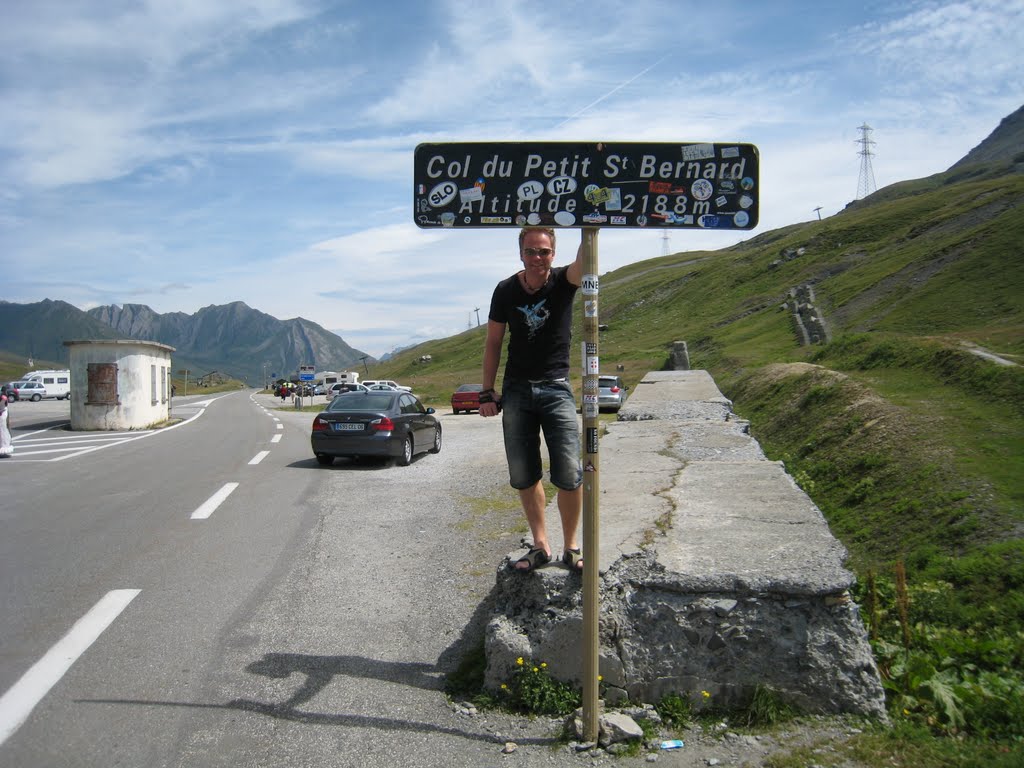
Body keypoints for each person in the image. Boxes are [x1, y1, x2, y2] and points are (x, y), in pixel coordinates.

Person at [480, 227, 584, 573]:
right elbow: (494, 341)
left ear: (554, 253)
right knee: (525, 472)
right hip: (517, 390)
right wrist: (487, 390)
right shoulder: (505, 290)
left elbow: (586, 260)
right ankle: (540, 545)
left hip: (556, 386)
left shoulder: (564, 281)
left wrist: (588, 217)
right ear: (520, 253)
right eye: (530, 251)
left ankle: (571, 546)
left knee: (569, 471)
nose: (537, 258)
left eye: (544, 251)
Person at [0, 390, 13, 458]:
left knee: (3, 431)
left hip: (2, 415)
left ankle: (3, 447)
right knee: (3, 431)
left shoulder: (3, 397)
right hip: (3, 415)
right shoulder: (4, 397)